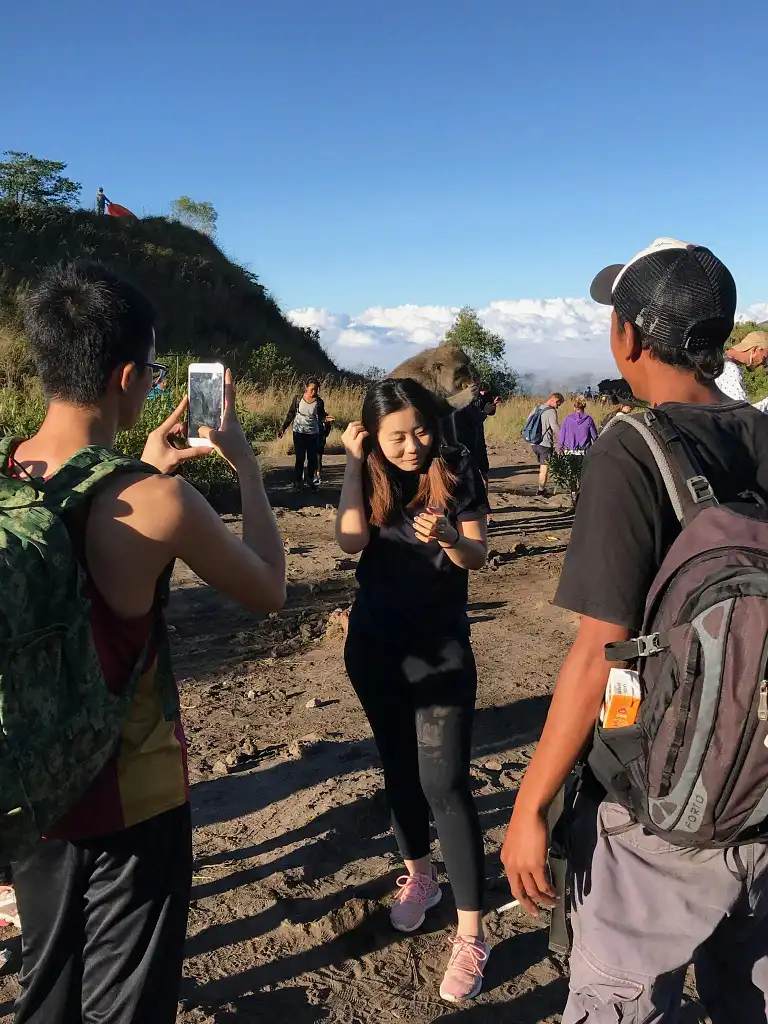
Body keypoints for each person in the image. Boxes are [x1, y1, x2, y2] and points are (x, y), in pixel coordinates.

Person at [10, 262, 286, 1024]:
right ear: (128, 375)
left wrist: (145, 467)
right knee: (126, 1004)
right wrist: (248, 468)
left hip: (36, 787)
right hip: (135, 797)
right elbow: (269, 588)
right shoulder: (158, 501)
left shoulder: (11, 474)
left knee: (48, 985)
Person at [501, 237, 768, 1023]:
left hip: (661, 809)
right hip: (763, 794)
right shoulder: (764, 430)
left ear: (626, 337)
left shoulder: (633, 448)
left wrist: (530, 807)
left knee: (622, 1001)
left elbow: (597, 657)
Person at [336, 378, 490, 1004]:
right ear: (372, 436)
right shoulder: (368, 473)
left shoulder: (457, 472)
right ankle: (420, 877)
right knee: (398, 771)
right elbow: (349, 541)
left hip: (442, 651)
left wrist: (452, 539)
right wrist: (350, 464)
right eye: (395, 436)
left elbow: (479, 554)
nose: (411, 446)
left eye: (420, 430)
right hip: (374, 649)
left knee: (444, 783)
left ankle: (473, 932)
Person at [279, 378, 329, 491]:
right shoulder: (298, 399)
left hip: (313, 433)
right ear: (306, 388)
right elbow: (291, 414)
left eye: (316, 389)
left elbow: (321, 416)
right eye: (312, 389)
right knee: (300, 458)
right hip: (299, 432)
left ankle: (310, 480)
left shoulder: (319, 402)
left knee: (312, 459)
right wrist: (283, 427)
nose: (314, 392)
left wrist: (326, 419)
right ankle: (297, 482)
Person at [525, 393, 564, 495]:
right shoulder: (552, 411)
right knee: (544, 467)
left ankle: (541, 487)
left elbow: (527, 422)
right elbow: (555, 427)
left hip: (533, 442)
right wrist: (562, 440)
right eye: (558, 404)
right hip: (545, 443)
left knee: (542, 466)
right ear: (555, 400)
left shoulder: (536, 408)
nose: (558, 407)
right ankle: (541, 490)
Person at [716, 330, 768, 401]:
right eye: (765, 358)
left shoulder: (722, 360)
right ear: (755, 350)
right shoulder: (730, 368)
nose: (764, 364)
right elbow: (741, 411)